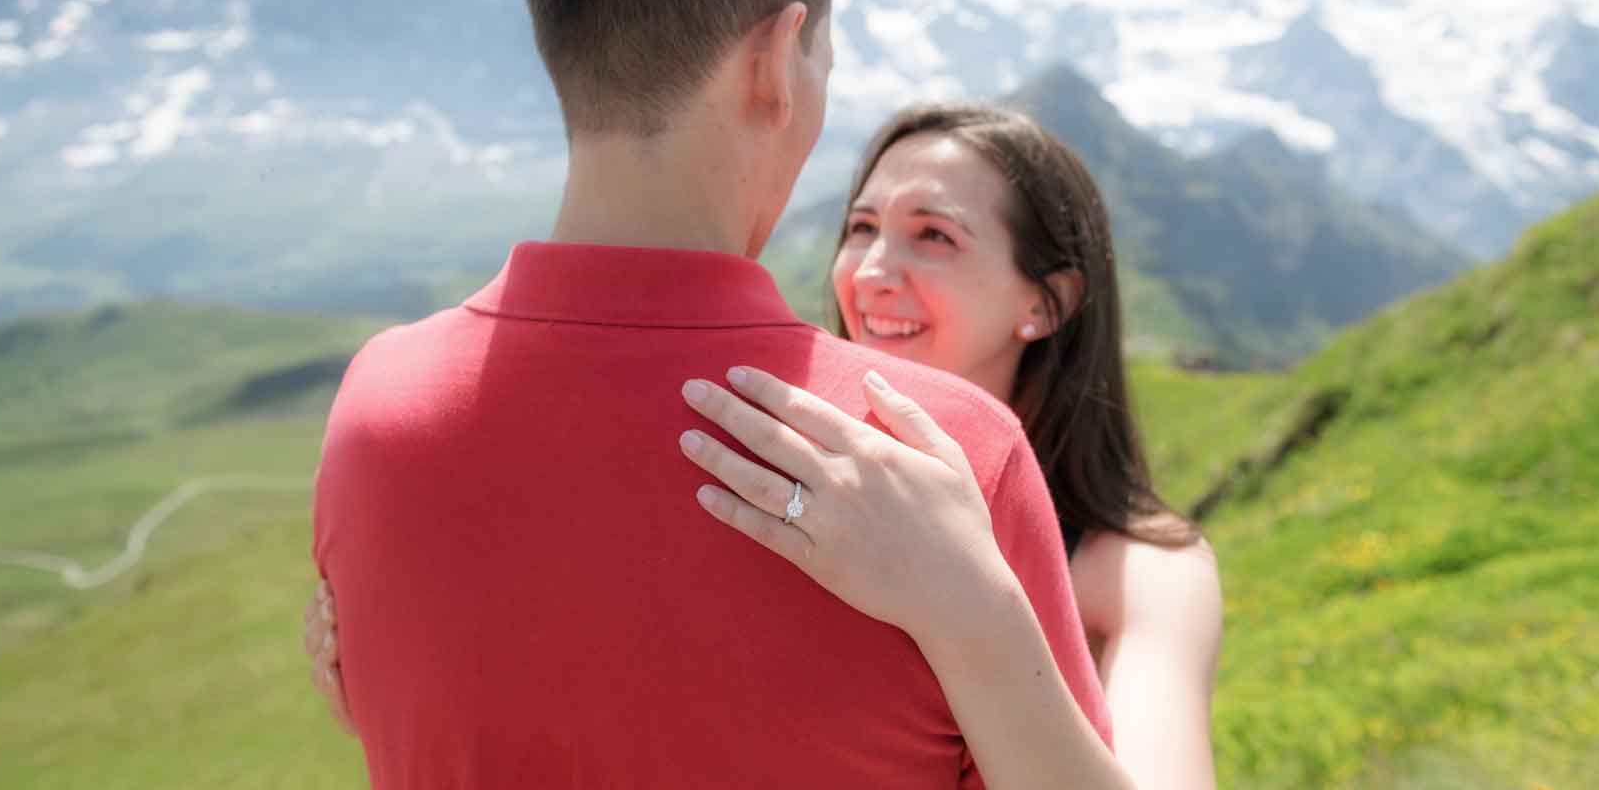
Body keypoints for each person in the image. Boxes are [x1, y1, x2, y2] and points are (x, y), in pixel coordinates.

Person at [309, 0, 1121, 789]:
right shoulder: (942, 456)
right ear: (776, 63)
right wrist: (980, 609)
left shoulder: (375, 406)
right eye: (823, 58)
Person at [309, 104, 1222, 788]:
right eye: (861, 228)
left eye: (933, 237)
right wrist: (393, 693)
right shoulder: (761, 461)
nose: (871, 272)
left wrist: (970, 603)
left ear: (1046, 304)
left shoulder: (1139, 569)